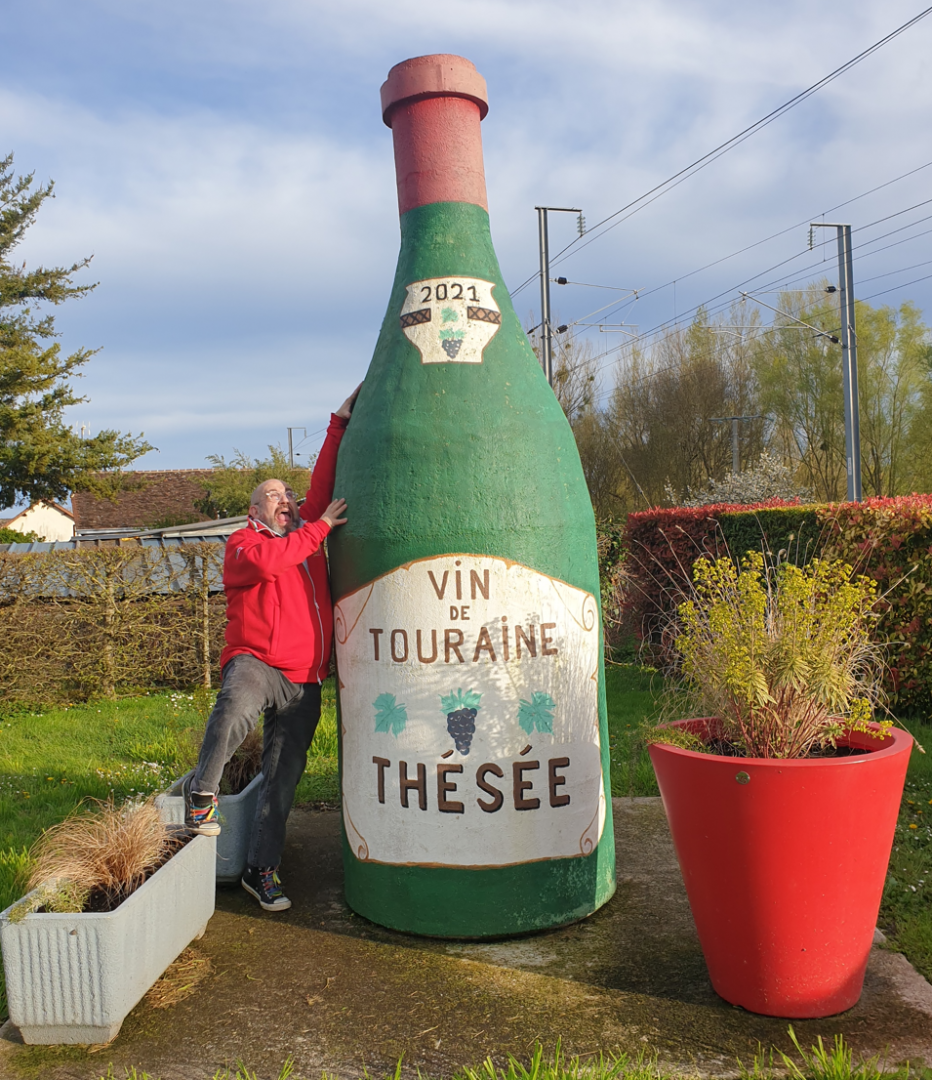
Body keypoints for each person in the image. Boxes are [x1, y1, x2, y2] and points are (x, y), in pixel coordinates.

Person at [183, 385, 359, 912]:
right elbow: (269, 563)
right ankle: (201, 795)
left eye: (289, 495)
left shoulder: (305, 531)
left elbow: (323, 482)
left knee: (282, 780)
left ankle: (261, 869)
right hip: (257, 661)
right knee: (234, 709)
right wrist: (319, 527)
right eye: (274, 495)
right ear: (255, 508)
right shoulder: (245, 544)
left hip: (305, 677)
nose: (286, 500)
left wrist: (338, 422)